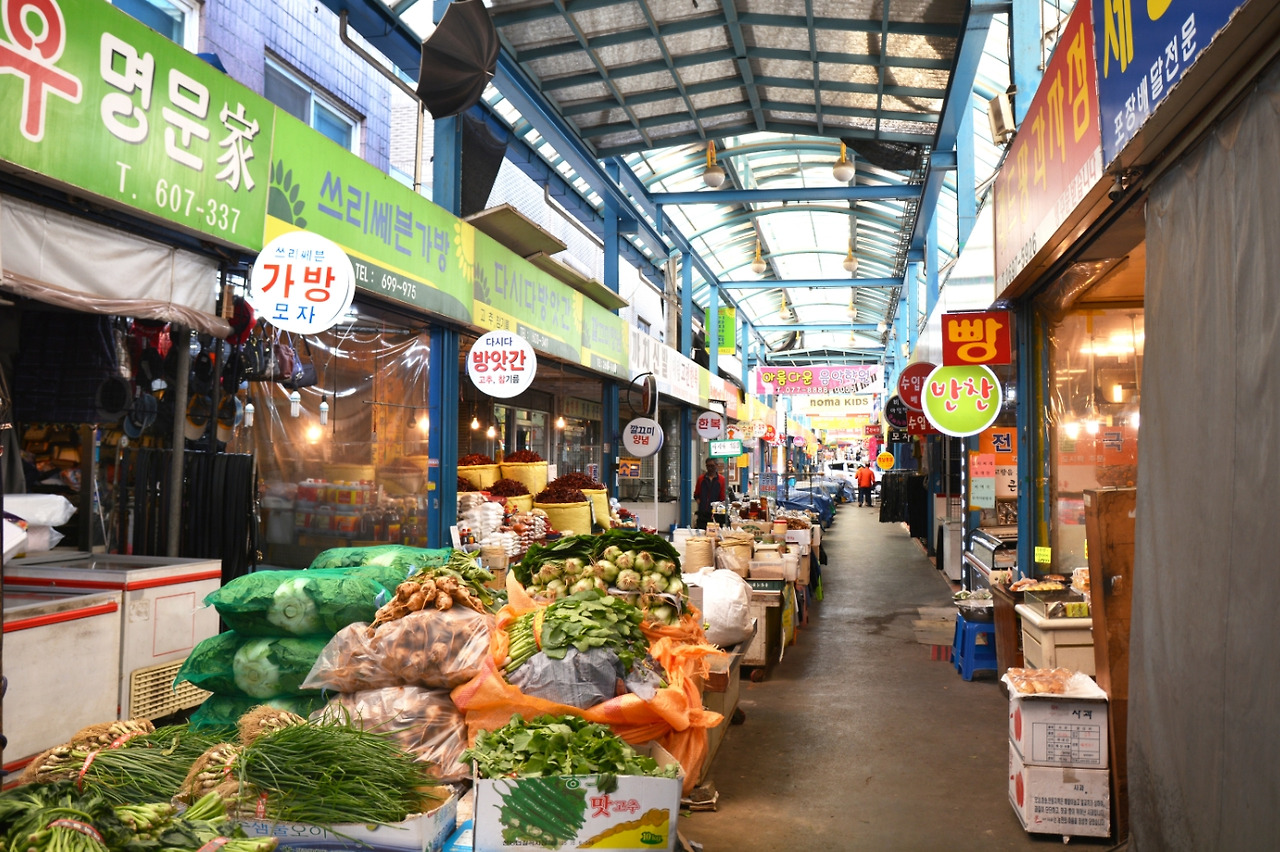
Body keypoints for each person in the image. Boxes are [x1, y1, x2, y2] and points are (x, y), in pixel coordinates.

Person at [693, 459, 726, 529]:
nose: (710, 468)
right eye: (708, 466)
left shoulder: (722, 480)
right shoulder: (701, 479)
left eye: (712, 466)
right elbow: (696, 494)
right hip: (703, 514)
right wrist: (701, 503)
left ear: (716, 466)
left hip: (716, 515)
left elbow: (723, 497)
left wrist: (718, 507)